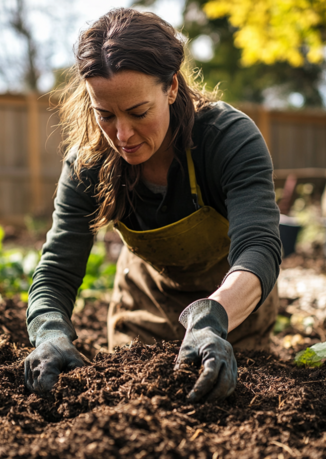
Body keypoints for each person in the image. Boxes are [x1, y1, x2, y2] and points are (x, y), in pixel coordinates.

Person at [24, 8, 281, 402]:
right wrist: (49, 332)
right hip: (145, 315)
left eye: (138, 112)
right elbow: (57, 268)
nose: (122, 135)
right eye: (105, 115)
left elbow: (259, 247)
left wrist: (215, 319)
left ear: (172, 88)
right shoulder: (89, 164)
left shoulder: (228, 140)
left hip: (232, 317)